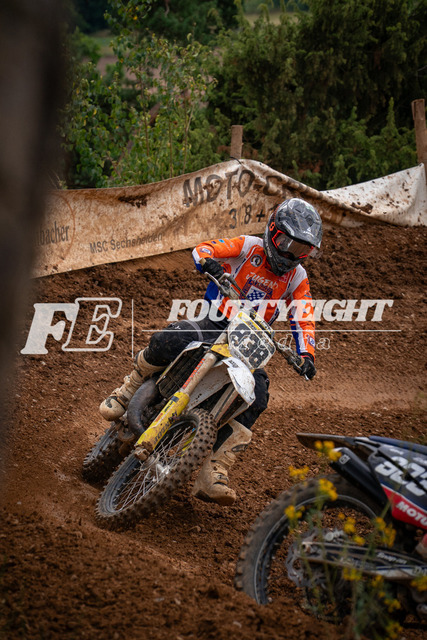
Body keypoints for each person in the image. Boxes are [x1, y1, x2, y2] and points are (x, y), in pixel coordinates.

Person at [99, 197, 323, 505]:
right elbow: (203, 249)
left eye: (301, 250)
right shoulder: (248, 247)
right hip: (218, 321)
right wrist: (209, 263)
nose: (290, 254)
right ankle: (127, 391)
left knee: (258, 396)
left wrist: (307, 354)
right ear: (273, 233)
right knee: (170, 338)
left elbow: (304, 315)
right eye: (287, 243)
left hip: (250, 341)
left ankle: (214, 469)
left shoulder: (297, 277)